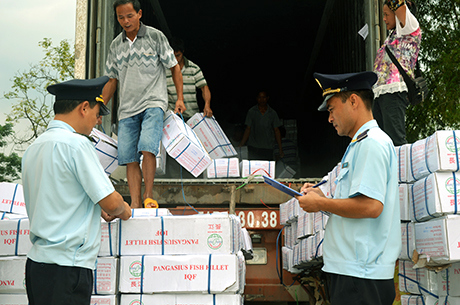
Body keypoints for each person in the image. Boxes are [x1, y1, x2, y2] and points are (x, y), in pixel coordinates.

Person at [22, 76, 132, 305]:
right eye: (96, 114)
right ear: (84, 108)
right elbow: (112, 203)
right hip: (67, 268)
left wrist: (91, 206)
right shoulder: (77, 144)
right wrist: (125, 210)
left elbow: (59, 194)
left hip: (37, 266)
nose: (97, 122)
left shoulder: (34, 147)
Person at [297, 72, 401, 305]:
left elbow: (371, 206)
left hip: (361, 275)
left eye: (332, 109)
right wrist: (321, 198)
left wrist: (322, 204)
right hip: (355, 272)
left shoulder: (371, 144)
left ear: (353, 101)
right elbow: (355, 204)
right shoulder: (359, 145)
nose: (330, 118)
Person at [102, 0, 185, 208]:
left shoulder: (155, 36)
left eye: (129, 16)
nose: (125, 21)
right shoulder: (115, 45)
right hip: (127, 109)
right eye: (121, 17)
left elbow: (174, 67)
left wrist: (180, 98)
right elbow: (111, 80)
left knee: (148, 149)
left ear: (139, 14)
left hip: (153, 102)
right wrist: (99, 107)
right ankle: (136, 203)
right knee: (129, 158)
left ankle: (148, 196)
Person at [372, 0, 421, 146]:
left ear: (397, 15)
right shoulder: (392, 36)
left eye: (386, 15)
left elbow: (398, 3)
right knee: (381, 144)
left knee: (396, 141)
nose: (384, 19)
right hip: (380, 93)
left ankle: (402, 168)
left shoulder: (409, 26)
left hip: (393, 92)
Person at [166, 37, 213, 120]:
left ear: (183, 52)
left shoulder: (193, 68)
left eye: (178, 55)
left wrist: (207, 105)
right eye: (172, 56)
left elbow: (204, 88)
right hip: (173, 117)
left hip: (192, 116)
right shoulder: (164, 70)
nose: (175, 59)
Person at [239, 90, 283, 161]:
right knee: (254, 170)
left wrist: (280, 149)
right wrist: (241, 145)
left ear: (267, 98)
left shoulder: (272, 113)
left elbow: (277, 131)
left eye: (264, 97)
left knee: (266, 170)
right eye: (259, 97)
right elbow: (248, 129)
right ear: (256, 99)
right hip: (253, 147)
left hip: (268, 148)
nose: (262, 100)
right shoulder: (252, 111)